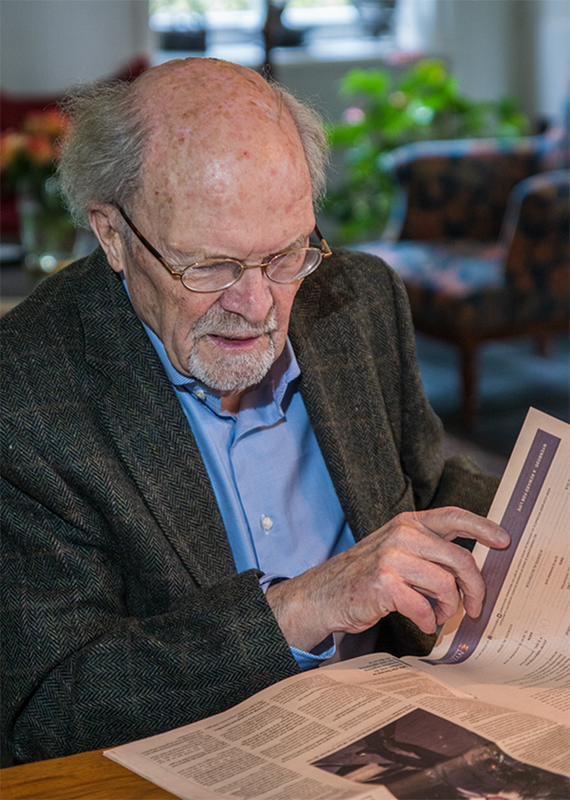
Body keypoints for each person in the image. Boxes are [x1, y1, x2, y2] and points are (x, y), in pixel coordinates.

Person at [0, 57, 509, 766]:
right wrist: (303, 607)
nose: (258, 305)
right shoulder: (23, 397)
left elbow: (421, 492)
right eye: (209, 266)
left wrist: (526, 523)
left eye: (285, 254)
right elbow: (43, 710)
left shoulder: (358, 300)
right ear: (112, 235)